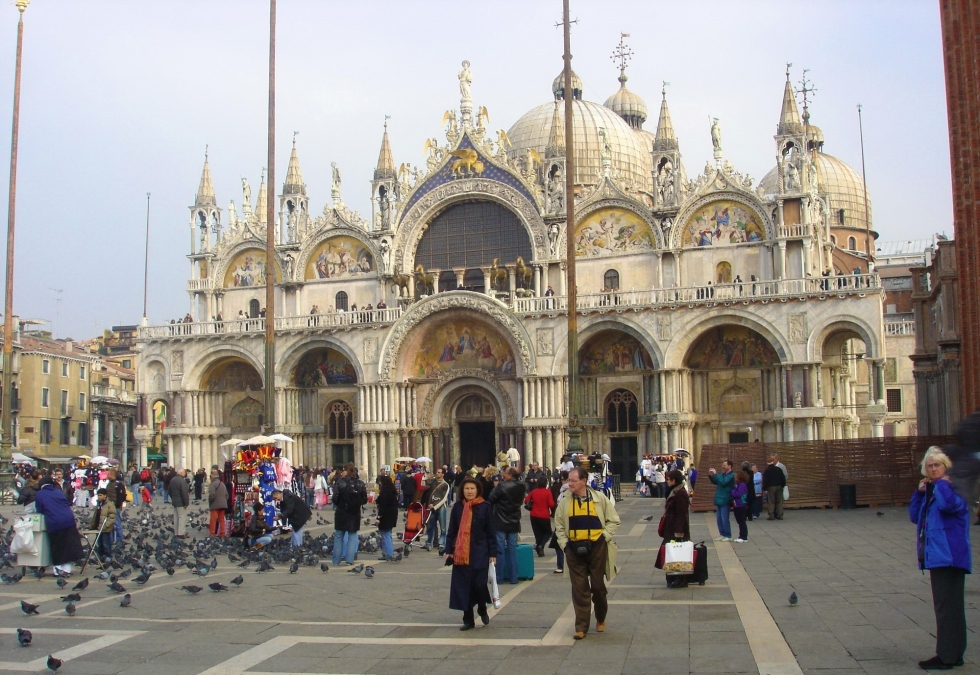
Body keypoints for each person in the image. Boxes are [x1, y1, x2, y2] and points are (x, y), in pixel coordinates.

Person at [909, 446, 971, 670]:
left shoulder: (952, 488)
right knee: (951, 608)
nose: (933, 469)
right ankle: (955, 653)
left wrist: (942, 484)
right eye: (930, 466)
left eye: (937, 465)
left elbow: (950, 506)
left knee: (946, 609)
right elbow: (915, 516)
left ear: (946, 466)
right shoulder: (933, 491)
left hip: (950, 555)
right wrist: (919, 493)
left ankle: (945, 656)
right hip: (937, 555)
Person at [554, 466, 621, 640]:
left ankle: (600, 617)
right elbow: (559, 526)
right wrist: (565, 545)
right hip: (574, 549)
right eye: (569, 480)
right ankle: (581, 626)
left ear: (584, 481)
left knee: (598, 587)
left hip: (597, 547)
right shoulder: (564, 502)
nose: (570, 484)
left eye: (573, 481)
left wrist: (603, 537)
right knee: (579, 589)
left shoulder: (600, 498)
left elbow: (613, 520)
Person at [445, 476, 498, 631]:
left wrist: (493, 552)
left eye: (472, 489)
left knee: (479, 584)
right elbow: (452, 531)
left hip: (480, 551)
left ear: (477, 490)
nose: (469, 491)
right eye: (467, 488)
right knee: (464, 587)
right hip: (461, 553)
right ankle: (468, 619)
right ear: (462, 490)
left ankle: (482, 606)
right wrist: (449, 550)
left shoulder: (485, 507)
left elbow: (491, 532)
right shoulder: (457, 507)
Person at [34, 481, 85, 576]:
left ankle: (58, 570)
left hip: (55, 523)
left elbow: (39, 509)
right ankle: (67, 570)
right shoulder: (58, 492)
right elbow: (67, 503)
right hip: (69, 520)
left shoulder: (40, 494)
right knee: (68, 545)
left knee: (57, 546)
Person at [488, 467, 525, 585]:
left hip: (500, 520)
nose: (503, 474)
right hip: (514, 520)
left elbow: (491, 498)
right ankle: (514, 577)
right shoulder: (521, 486)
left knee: (500, 550)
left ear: (510, 475)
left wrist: (496, 486)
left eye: (505, 472)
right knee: (512, 550)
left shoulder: (502, 486)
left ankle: (499, 578)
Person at [661, 469, 691, 588]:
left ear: (674, 481)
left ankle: (681, 578)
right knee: (672, 553)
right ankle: (673, 577)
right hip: (671, 527)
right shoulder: (674, 491)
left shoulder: (680, 493)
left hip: (677, 529)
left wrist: (679, 532)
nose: (667, 481)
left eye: (668, 479)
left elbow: (681, 514)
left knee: (679, 553)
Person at [332, 463, 367, 563]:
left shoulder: (340, 482)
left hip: (341, 512)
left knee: (339, 536)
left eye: (343, 470)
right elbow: (364, 500)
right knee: (352, 536)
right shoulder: (360, 483)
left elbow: (335, 498)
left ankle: (336, 560)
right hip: (354, 513)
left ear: (346, 471)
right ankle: (350, 560)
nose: (342, 472)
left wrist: (341, 504)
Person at [525, 478, 556, 557]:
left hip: (534, 515)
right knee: (548, 532)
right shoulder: (547, 492)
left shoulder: (534, 491)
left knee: (538, 534)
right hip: (544, 515)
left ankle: (539, 550)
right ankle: (541, 545)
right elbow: (551, 504)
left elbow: (526, 500)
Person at [423, 468, 449, 553]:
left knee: (443, 528)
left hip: (441, 507)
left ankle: (442, 544)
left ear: (443, 474)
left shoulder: (445, 485)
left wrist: (434, 506)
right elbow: (423, 482)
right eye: (437, 472)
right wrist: (426, 474)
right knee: (430, 526)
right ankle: (429, 542)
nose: (437, 473)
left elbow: (444, 499)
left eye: (439, 472)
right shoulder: (433, 482)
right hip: (431, 507)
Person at [708, 460, 735, 541]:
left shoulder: (731, 475)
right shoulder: (723, 474)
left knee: (724, 518)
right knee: (719, 518)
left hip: (726, 498)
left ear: (730, 466)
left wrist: (716, 474)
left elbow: (723, 482)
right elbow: (716, 482)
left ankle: (728, 535)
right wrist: (712, 476)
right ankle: (722, 533)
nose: (723, 466)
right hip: (719, 498)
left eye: (725, 465)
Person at [375, 475, 398, 561]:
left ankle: (389, 553)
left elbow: (383, 505)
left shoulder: (385, 491)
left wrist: (379, 516)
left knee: (385, 534)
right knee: (388, 534)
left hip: (386, 514)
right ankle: (386, 553)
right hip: (392, 513)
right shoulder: (392, 490)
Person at [90, 488, 116, 561]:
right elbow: (96, 516)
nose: (99, 497)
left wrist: (106, 525)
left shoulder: (109, 505)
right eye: (98, 495)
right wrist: (93, 525)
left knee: (106, 544)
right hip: (99, 528)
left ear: (105, 495)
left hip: (105, 529)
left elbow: (112, 517)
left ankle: (108, 558)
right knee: (100, 544)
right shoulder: (99, 504)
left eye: (100, 495)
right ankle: (101, 558)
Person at [762, 456, 787, 520]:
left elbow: (765, 480)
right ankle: (780, 515)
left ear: (767, 463)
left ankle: (771, 515)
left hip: (771, 487)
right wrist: (782, 485)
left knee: (771, 502)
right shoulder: (778, 469)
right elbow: (783, 478)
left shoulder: (767, 471)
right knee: (779, 501)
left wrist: (765, 488)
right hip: (779, 486)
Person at [169, 469, 190, 538]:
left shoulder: (172, 480)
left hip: (174, 501)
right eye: (184, 473)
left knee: (176, 517)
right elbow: (184, 493)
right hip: (181, 502)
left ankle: (176, 532)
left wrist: (173, 498)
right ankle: (180, 533)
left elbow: (169, 491)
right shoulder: (182, 481)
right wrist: (186, 503)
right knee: (182, 517)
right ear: (181, 473)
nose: (185, 474)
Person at [208, 468, 229, 537]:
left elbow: (211, 495)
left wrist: (210, 503)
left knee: (213, 520)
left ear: (212, 477)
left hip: (215, 504)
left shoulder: (212, 485)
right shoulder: (222, 484)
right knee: (222, 520)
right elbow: (227, 495)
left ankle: (212, 533)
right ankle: (222, 533)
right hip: (223, 504)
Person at [731, 470, 750, 542]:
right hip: (737, 505)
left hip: (741, 505)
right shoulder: (738, 484)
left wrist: (732, 491)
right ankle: (742, 536)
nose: (735, 477)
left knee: (741, 521)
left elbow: (738, 494)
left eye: (736, 476)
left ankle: (743, 536)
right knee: (740, 521)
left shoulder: (742, 485)